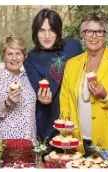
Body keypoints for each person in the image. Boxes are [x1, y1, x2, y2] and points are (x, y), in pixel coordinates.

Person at [60, 10, 108, 156]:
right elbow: (65, 103)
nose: (94, 36)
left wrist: (106, 95)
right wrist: (65, 137)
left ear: (105, 35)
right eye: (89, 32)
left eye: (99, 32)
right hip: (78, 142)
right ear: (82, 35)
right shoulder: (71, 64)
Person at [24, 8, 83, 141]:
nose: (47, 36)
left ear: (58, 30)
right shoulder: (30, 59)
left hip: (74, 117)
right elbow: (37, 89)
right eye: (42, 30)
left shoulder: (74, 47)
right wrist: (42, 97)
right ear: (35, 32)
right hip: (47, 121)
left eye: (51, 30)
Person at [0, 35, 37, 143]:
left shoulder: (29, 78)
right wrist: (8, 102)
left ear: (24, 56)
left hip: (28, 143)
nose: (14, 58)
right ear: (3, 56)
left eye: (18, 53)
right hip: (3, 145)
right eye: (9, 54)